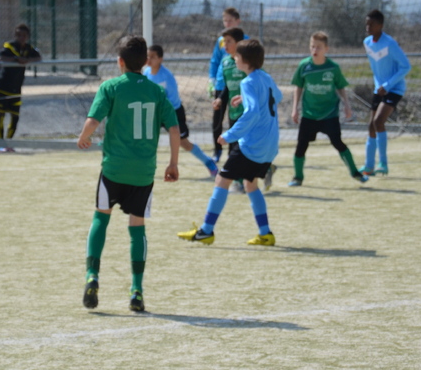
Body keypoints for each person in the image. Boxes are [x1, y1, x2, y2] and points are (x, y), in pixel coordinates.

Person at [78, 36, 181, 313]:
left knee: (101, 218)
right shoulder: (156, 92)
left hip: (114, 168)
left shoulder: (110, 87)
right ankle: (136, 290)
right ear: (145, 62)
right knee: (137, 228)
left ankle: (92, 276)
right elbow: (174, 129)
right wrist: (173, 164)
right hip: (143, 173)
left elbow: (94, 120)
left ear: (119, 62)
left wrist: (84, 137)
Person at [179, 39, 282, 247]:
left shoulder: (247, 82)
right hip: (270, 145)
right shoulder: (266, 77)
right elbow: (276, 97)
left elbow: (252, 113)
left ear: (245, 61)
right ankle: (265, 233)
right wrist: (246, 99)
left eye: (237, 56)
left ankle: (206, 231)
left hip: (252, 145)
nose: (234, 59)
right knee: (250, 184)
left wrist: (230, 135)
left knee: (222, 180)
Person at [289, 32, 369, 187]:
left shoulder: (333, 68)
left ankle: (355, 172)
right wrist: (295, 109)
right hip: (309, 114)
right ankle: (297, 177)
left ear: (326, 49)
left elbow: (341, 87)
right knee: (301, 145)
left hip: (329, 114)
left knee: (338, 142)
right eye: (312, 46)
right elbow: (298, 87)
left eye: (319, 47)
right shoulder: (304, 66)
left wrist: (347, 105)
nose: (315, 50)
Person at [143, 44, 218, 178]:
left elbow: (173, 99)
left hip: (173, 112)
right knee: (146, 138)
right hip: (155, 113)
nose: (149, 59)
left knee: (184, 143)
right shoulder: (146, 73)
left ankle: (208, 162)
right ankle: (142, 167)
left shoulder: (167, 76)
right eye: (147, 56)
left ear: (160, 59)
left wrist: (160, 109)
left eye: (153, 57)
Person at [361, 9, 411, 176]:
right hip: (380, 89)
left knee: (378, 121)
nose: (368, 27)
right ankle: (369, 166)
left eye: (372, 24)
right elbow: (377, 69)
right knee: (371, 126)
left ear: (380, 25)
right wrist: (379, 86)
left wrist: (388, 85)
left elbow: (406, 66)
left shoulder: (390, 43)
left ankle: (383, 163)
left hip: (394, 88)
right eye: (367, 24)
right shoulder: (367, 42)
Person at [212, 27, 258, 193]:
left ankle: (239, 182)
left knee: (241, 147)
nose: (225, 45)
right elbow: (227, 86)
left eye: (229, 42)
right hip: (233, 111)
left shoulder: (247, 63)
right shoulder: (225, 63)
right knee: (235, 146)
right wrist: (220, 98)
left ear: (239, 43)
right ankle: (265, 170)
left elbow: (256, 83)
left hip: (247, 113)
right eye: (224, 42)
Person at [0, 24, 42, 141]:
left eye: (24, 35)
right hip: (3, 87)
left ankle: (9, 142)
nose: (21, 38)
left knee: (15, 117)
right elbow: (0, 58)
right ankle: (1, 144)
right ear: (15, 36)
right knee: (1, 115)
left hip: (16, 88)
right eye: (18, 35)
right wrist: (16, 59)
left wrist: (27, 60)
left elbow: (38, 57)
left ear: (28, 37)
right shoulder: (9, 47)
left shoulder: (28, 49)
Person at [208, 7, 244, 162]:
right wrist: (212, 80)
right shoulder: (221, 44)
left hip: (240, 91)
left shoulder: (245, 43)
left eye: (230, 20)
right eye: (225, 20)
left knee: (237, 124)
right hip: (223, 86)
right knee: (218, 120)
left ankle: (234, 155)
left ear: (237, 21)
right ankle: (217, 151)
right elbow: (215, 61)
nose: (227, 23)